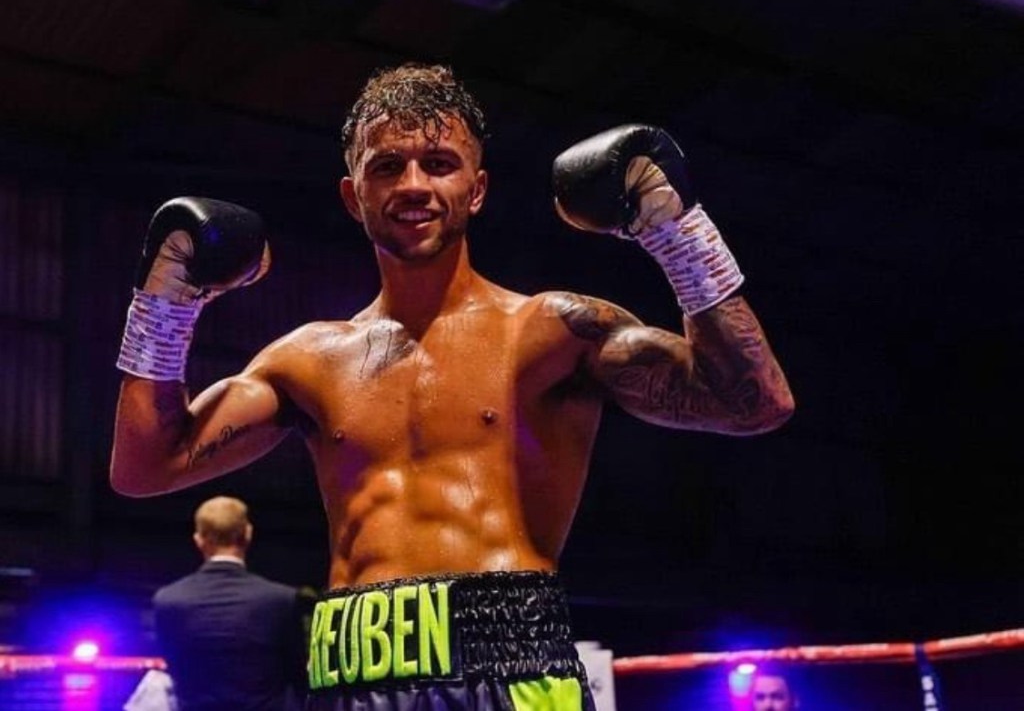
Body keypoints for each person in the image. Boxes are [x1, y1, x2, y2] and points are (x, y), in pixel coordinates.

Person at [110, 62, 795, 710]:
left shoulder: (552, 332)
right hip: (352, 677)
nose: (414, 185)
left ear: (477, 188)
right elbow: (144, 466)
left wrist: (676, 232)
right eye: (387, 167)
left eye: (439, 164)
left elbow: (752, 402)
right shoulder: (307, 360)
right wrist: (164, 305)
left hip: (512, 669)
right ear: (353, 196)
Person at [151, 496, 307, 711]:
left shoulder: (168, 601)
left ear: (199, 539)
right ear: (248, 534)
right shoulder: (281, 600)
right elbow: (298, 675)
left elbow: (173, 666)